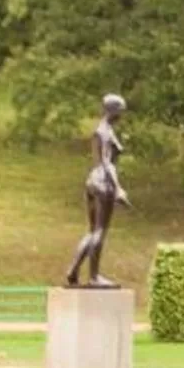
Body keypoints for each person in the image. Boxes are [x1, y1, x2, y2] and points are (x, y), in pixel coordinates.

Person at [61, 93, 130, 288]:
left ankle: (73, 270)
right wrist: (118, 190)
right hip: (103, 182)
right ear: (114, 110)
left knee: (92, 230)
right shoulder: (106, 132)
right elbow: (108, 163)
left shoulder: (100, 130)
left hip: (92, 180)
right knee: (100, 230)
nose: (122, 115)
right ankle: (94, 276)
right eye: (121, 110)